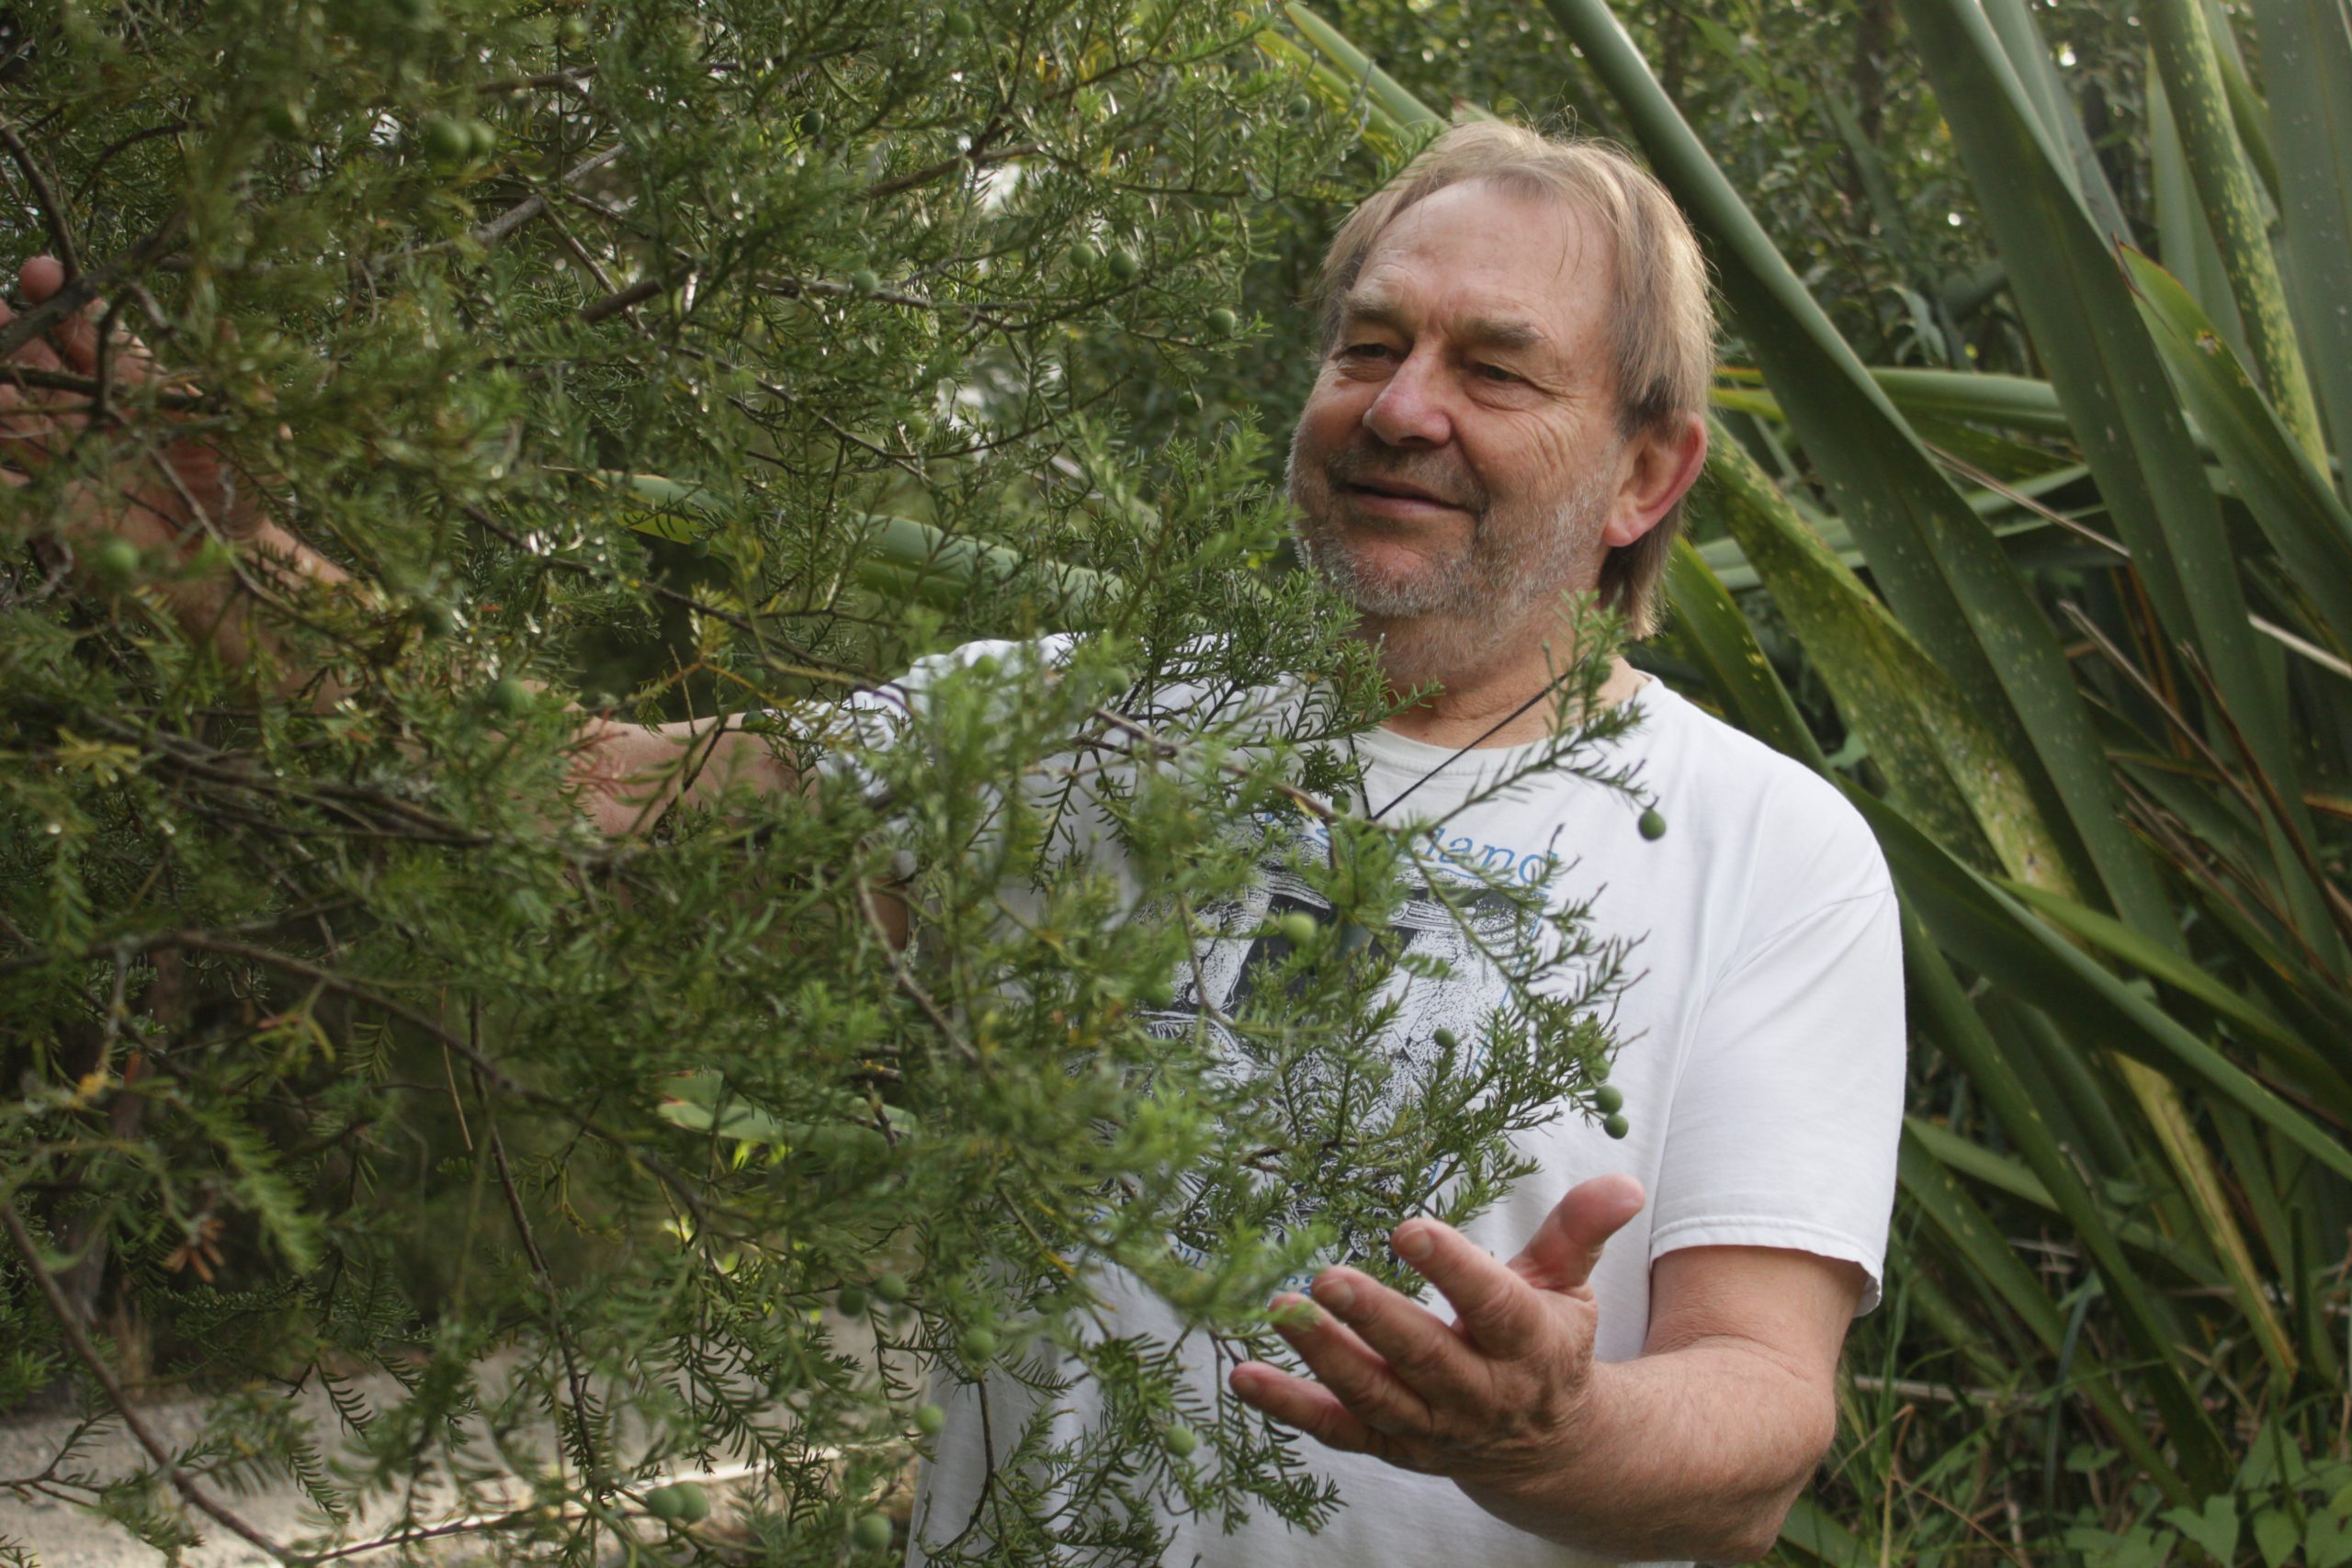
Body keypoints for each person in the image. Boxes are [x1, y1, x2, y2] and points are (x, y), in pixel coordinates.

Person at [0, 120, 1903, 1567]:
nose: (1399, 408)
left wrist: (1535, 1429)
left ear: (1646, 469)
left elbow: (1759, 1409)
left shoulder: (1764, 851)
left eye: (1492, 368)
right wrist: (197, 532)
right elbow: (573, 801)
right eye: (1365, 344)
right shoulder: (1069, 717)